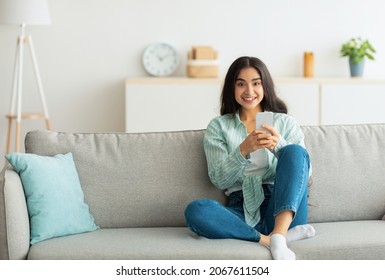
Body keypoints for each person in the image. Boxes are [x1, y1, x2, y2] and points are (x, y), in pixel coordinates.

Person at [184, 56, 315, 260]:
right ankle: (268, 239)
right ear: (232, 88)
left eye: (256, 83)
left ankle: (279, 233)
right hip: (240, 209)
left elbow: (304, 172)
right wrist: (242, 150)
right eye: (241, 84)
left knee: (294, 151)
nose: (249, 91)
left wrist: (278, 146)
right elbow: (218, 179)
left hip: (283, 206)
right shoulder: (219, 126)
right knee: (196, 211)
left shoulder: (285, 122)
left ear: (265, 86)